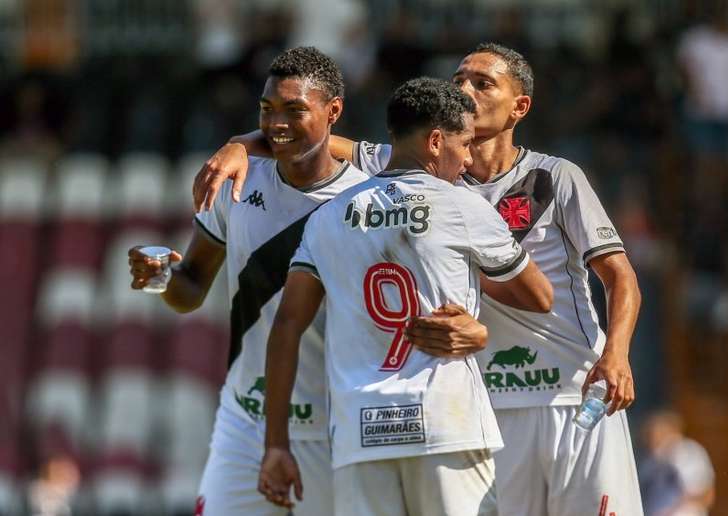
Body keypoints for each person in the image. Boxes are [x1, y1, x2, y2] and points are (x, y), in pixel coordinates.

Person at [195, 42, 644, 515]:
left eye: (482, 82)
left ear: (520, 107)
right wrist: (239, 145)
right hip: (489, 403)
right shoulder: (420, 168)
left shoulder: (556, 176)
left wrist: (616, 353)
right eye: (459, 80)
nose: (465, 89)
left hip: (571, 393)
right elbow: (310, 136)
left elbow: (619, 277)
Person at [257, 76, 553, 516]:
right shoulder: (463, 206)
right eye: (465, 143)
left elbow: (286, 326)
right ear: (436, 141)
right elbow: (540, 296)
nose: (469, 158)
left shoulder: (328, 217)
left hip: (361, 433)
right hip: (445, 425)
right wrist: (477, 326)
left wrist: (276, 444)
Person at [128, 46, 368, 516]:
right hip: (246, 420)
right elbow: (191, 287)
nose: (276, 124)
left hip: (336, 428)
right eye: (266, 110)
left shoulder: (370, 198)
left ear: (333, 111)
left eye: (294, 110)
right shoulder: (238, 186)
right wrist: (161, 279)